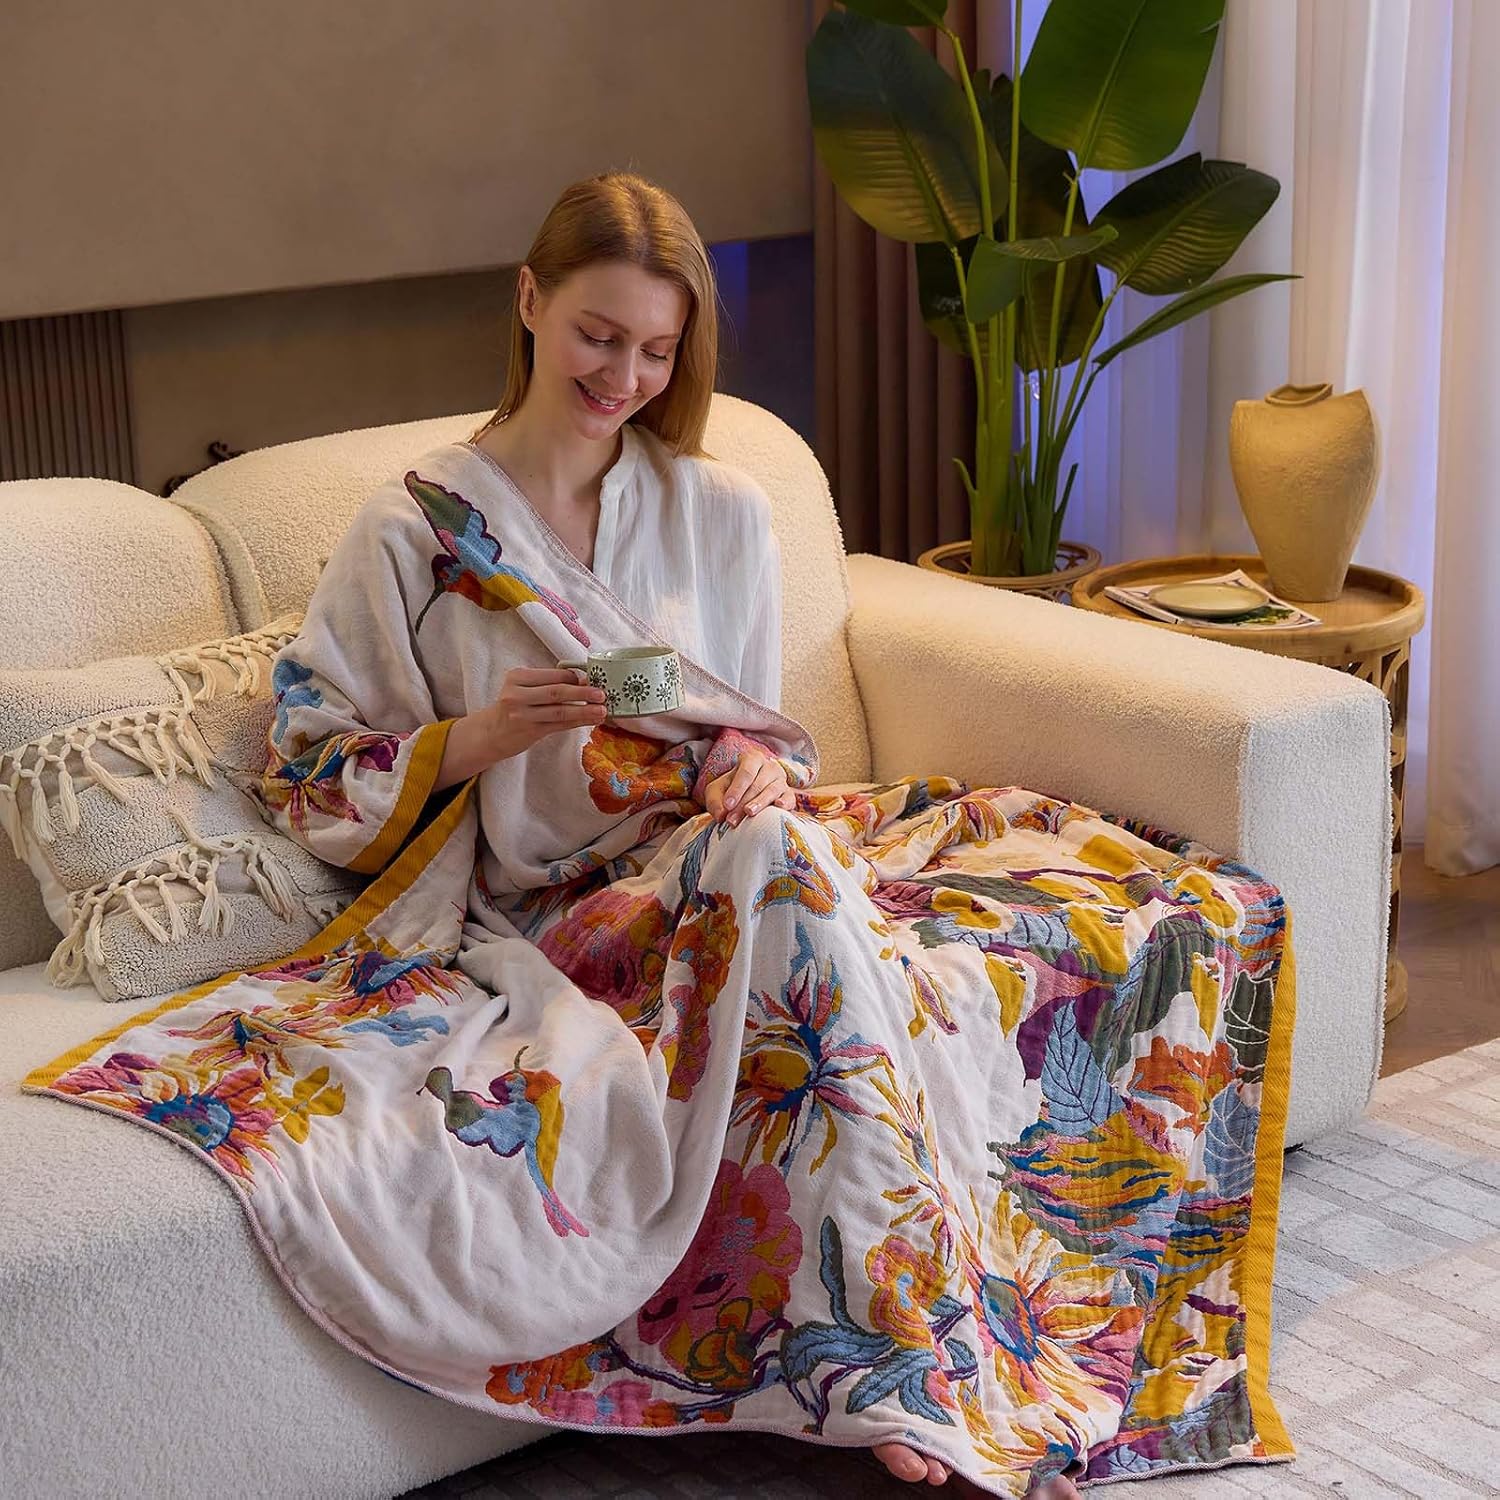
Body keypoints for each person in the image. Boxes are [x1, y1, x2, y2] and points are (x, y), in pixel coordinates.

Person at [44, 173, 1292, 1497]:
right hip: (559, 918)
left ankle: (894, 1359)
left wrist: (751, 767)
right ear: (530, 301)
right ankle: (901, 1363)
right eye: (597, 335)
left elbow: (757, 729)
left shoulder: (718, 511)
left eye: (655, 349)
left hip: (728, 862)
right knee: (782, 872)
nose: (624, 377)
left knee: (826, 859)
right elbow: (307, 769)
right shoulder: (415, 532)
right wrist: (475, 738)